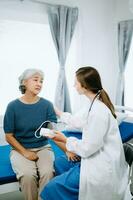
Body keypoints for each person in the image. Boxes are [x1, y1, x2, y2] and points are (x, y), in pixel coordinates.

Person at [40, 66, 131, 200]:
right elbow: (79, 121)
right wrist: (58, 112)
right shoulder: (94, 103)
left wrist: (65, 139)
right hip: (96, 158)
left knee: (50, 189)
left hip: (99, 168)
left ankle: (67, 189)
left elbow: (88, 148)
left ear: (84, 86)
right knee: (60, 162)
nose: (73, 85)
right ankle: (73, 192)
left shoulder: (98, 112)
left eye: (76, 82)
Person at [3, 68, 57, 200]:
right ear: (24, 83)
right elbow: (8, 136)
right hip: (20, 149)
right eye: (35, 80)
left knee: (48, 172)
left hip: (43, 147)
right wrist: (25, 152)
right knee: (27, 175)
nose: (39, 84)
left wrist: (51, 129)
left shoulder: (47, 105)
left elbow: (52, 129)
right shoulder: (12, 106)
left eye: (41, 81)